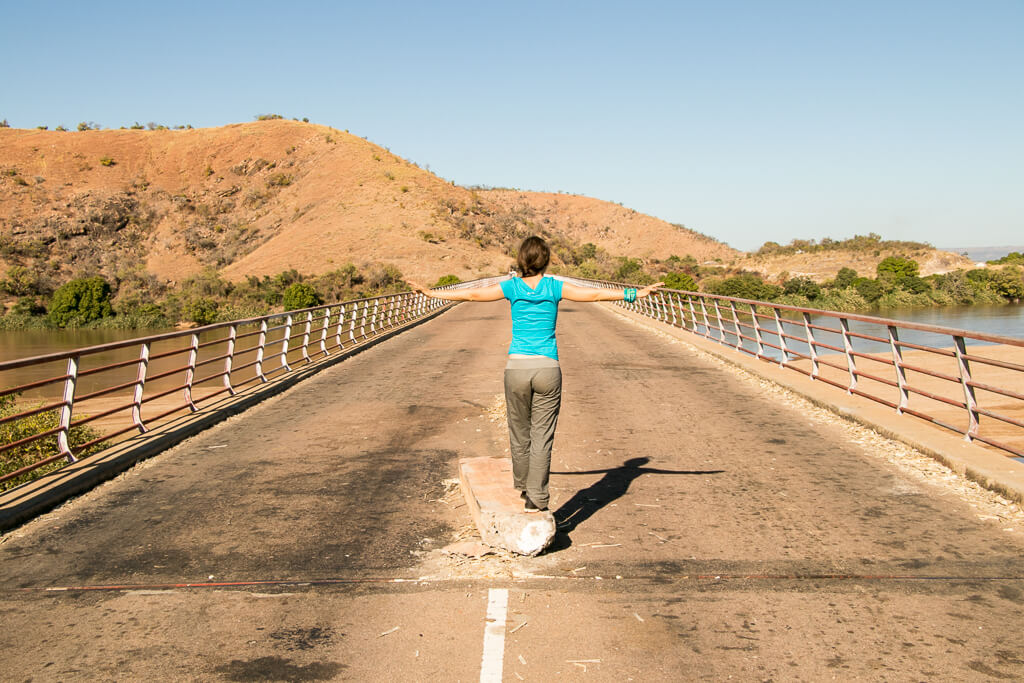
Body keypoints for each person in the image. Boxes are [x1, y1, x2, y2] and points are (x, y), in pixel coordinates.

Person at [410, 236, 663, 513]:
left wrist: (432, 293)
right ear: (546, 260)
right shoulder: (555, 287)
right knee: (542, 436)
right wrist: (635, 294)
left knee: (520, 432)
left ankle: (523, 485)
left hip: (516, 368)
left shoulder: (512, 287)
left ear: (521, 260)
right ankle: (536, 498)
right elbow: (592, 294)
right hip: (548, 369)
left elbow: (472, 294)